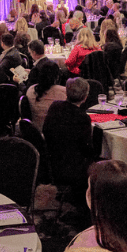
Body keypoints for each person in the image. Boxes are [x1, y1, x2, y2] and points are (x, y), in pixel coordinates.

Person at [43, 78, 97, 207]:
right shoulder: (82, 117)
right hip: (72, 167)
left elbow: (45, 130)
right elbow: (86, 149)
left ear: (66, 93)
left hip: (52, 160)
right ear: (85, 97)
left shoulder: (55, 106)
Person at [24, 58, 66, 133]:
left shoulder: (31, 90)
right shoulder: (63, 92)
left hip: (35, 131)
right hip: (57, 132)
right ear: (57, 76)